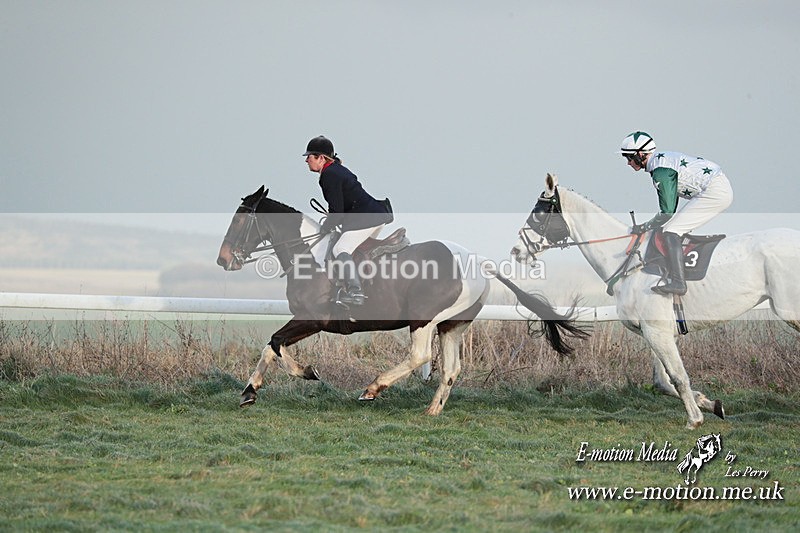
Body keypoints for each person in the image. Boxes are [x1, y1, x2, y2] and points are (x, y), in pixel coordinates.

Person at [619, 131, 733, 295]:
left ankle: (679, 283)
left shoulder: (661, 171)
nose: (628, 163)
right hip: (715, 186)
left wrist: (644, 227)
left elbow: (666, 213)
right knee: (670, 227)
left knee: (671, 230)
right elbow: (671, 204)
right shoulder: (660, 162)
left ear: (640, 154)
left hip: (714, 192)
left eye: (629, 157)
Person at [304, 135, 393, 306]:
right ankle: (365, 285)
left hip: (366, 218)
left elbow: (336, 210)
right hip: (372, 215)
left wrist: (326, 226)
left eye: (310, 156)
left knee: (340, 248)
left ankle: (355, 292)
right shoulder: (334, 170)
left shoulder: (329, 174)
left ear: (321, 158)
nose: (306, 160)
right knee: (354, 250)